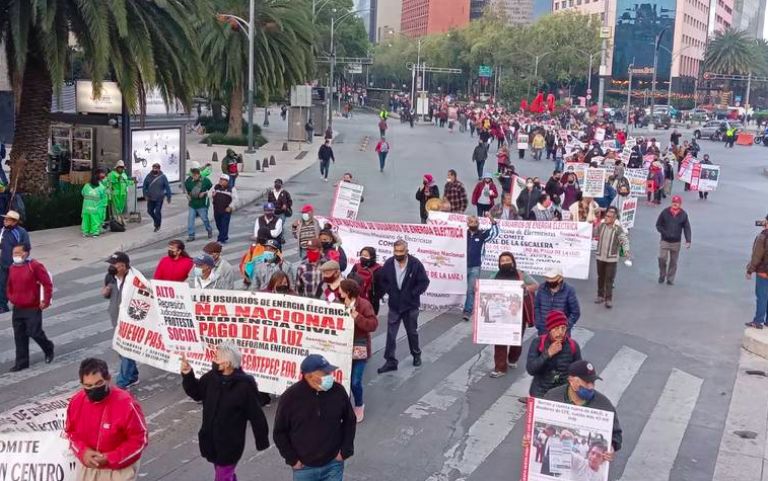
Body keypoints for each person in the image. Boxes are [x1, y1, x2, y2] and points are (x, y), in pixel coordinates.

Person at [181, 341, 270, 481]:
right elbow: (197, 393)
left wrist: (261, 440)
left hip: (230, 445)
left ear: (227, 363)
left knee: (222, 476)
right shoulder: (211, 378)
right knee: (224, 473)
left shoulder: (244, 386)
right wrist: (187, 374)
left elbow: (256, 415)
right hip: (210, 441)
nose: (213, 360)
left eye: (217, 358)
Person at [274, 354, 356, 481]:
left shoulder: (338, 391)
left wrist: (345, 451)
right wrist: (292, 459)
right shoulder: (290, 398)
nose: (329, 376)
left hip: (333, 463)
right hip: (303, 468)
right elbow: (279, 432)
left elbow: (349, 421)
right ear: (309, 376)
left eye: (329, 372)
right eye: (325, 373)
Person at [65, 358, 148, 481]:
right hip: (89, 466)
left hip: (119, 469)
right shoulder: (76, 402)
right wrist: (83, 452)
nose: (93, 389)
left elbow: (139, 439)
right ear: (82, 384)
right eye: (88, 386)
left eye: (98, 383)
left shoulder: (126, 404)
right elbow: (70, 433)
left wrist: (110, 458)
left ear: (108, 379)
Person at [543, 360, 623, 454]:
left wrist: (612, 447)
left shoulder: (604, 405)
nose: (591, 386)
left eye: (593, 382)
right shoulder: (552, 397)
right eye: (586, 382)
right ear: (571, 381)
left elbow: (616, 436)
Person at [378, 240, 430, 373]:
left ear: (406, 251)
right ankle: (390, 361)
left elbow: (424, 282)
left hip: (410, 306)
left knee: (412, 332)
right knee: (391, 334)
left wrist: (413, 294)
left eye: (401, 251)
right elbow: (382, 280)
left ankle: (416, 354)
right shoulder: (389, 263)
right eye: (396, 251)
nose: (398, 254)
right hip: (394, 305)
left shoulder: (415, 264)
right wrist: (390, 291)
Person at [490, 252, 537, 378]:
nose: (505, 262)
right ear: (499, 263)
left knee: (516, 339)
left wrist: (525, 288)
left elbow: (535, 285)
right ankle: (500, 368)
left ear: (513, 261)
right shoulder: (494, 275)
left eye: (508, 259)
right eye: (502, 260)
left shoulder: (521, 274)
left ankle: (513, 358)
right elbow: (487, 289)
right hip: (500, 313)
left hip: (518, 313)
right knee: (499, 340)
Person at [7, 244, 53, 372]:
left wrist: (45, 300)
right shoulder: (12, 267)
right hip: (18, 307)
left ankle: (48, 348)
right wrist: (11, 297)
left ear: (26, 253)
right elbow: (9, 285)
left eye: (18, 253)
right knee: (19, 335)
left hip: (32, 306)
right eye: (14, 253)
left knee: (34, 332)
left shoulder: (34, 266)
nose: (15, 255)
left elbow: (47, 283)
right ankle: (21, 362)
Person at [339, 279, 378, 422]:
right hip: (342, 348)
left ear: (348, 292)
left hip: (359, 348)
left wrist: (356, 316)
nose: (339, 292)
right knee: (343, 381)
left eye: (341, 290)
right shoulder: (338, 303)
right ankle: (344, 408)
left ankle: (359, 405)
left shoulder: (364, 305)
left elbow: (373, 325)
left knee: (355, 381)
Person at [102, 252, 140, 388]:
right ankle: (132, 376)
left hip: (129, 321)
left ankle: (122, 381)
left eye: (115, 264)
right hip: (116, 319)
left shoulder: (134, 280)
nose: (112, 266)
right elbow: (107, 294)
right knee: (121, 350)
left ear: (124, 266)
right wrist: (106, 291)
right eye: (111, 264)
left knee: (125, 350)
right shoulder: (110, 277)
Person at [526, 310, 582, 398]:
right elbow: (531, 369)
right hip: (540, 393)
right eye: (556, 328)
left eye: (563, 328)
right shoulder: (538, 342)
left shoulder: (573, 345)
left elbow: (579, 371)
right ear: (549, 329)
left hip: (562, 395)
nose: (560, 333)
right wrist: (548, 354)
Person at [463, 216, 500, 320]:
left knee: (470, 290)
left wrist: (492, 221)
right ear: (467, 223)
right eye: (471, 221)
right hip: (461, 265)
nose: (473, 223)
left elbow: (495, 233)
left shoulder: (482, 234)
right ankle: (459, 305)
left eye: (475, 221)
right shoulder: (462, 234)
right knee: (460, 288)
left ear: (478, 223)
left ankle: (467, 311)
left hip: (475, 267)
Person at [595, 207, 631, 308]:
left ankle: (608, 299)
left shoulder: (618, 228)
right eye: (606, 216)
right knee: (600, 277)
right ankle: (600, 295)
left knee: (609, 279)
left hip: (612, 258)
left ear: (614, 218)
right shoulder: (601, 225)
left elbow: (624, 241)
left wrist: (627, 253)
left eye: (609, 217)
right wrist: (596, 223)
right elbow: (594, 233)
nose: (606, 218)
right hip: (600, 256)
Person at [656, 195, 692, 285]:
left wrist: (688, 240)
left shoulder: (683, 214)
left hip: (676, 242)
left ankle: (670, 279)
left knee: (673, 261)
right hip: (665, 240)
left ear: (680, 204)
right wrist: (664, 233)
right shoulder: (665, 212)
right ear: (671, 203)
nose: (675, 204)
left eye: (677, 203)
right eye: (673, 202)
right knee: (662, 258)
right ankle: (662, 274)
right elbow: (658, 225)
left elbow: (687, 228)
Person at [534, 267, 581, 335]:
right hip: (543, 330)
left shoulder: (569, 291)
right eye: (548, 278)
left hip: (561, 333)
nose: (549, 280)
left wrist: (565, 327)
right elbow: (537, 307)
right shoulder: (542, 288)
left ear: (560, 278)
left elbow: (575, 312)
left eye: (552, 278)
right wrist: (538, 323)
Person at [0, 210, 30, 313]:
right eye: (5, 219)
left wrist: (20, 262)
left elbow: (26, 249)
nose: (4, 220)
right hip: (3, 264)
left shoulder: (21, 232)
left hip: (16, 265)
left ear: (14, 221)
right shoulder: (3, 231)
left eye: (7, 219)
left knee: (18, 286)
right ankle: (2, 306)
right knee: (2, 285)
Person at [747, 214, 768, 328]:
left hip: (763, 272)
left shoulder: (763, 236)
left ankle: (758, 321)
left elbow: (757, 256)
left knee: (762, 297)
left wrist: (750, 270)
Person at [348, 247, 383, 314]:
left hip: (371, 302)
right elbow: (349, 282)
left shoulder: (378, 269)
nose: (363, 257)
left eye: (366, 255)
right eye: (362, 255)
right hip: (355, 300)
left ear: (372, 257)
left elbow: (382, 287)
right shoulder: (356, 266)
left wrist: (376, 297)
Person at [185, 165, 214, 241]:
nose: (194, 177)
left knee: (204, 219)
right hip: (192, 204)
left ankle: (209, 229)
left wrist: (204, 193)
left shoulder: (205, 181)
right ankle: (191, 235)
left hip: (202, 204)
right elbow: (187, 191)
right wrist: (187, 195)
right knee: (190, 219)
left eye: (195, 175)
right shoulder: (188, 181)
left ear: (199, 174)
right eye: (192, 175)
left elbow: (211, 189)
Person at [142, 163, 172, 232]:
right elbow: (144, 186)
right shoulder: (148, 176)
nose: (155, 169)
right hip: (151, 198)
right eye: (154, 168)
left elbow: (167, 187)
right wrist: (145, 195)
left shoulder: (163, 177)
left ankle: (157, 225)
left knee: (157, 211)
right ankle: (156, 220)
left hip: (159, 198)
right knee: (149, 211)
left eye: (156, 168)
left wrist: (169, 197)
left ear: (159, 169)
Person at [212, 174, 238, 244]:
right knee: (218, 224)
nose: (221, 181)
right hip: (217, 209)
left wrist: (230, 207)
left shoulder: (231, 189)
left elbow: (235, 199)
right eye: (220, 179)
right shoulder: (216, 187)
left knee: (224, 224)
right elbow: (212, 194)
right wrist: (213, 195)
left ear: (227, 181)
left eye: (223, 180)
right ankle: (224, 236)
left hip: (226, 210)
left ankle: (221, 239)